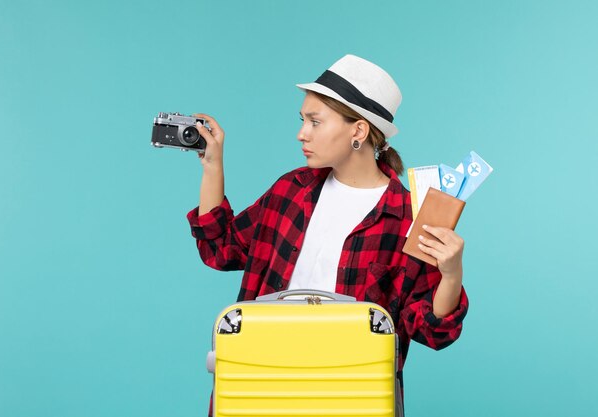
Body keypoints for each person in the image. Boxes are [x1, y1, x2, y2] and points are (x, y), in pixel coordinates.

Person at [187, 54, 468, 414]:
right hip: (260, 384)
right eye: (303, 120)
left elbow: (431, 329)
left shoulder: (407, 216)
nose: (301, 133)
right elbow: (221, 249)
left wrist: (452, 273)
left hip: (350, 396)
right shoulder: (292, 190)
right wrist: (212, 165)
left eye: (315, 122)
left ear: (358, 131)